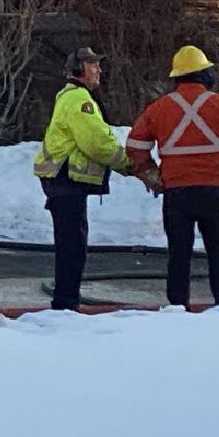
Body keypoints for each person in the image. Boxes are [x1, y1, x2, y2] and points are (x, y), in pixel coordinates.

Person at [126, 45, 219, 308]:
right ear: (206, 75)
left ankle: (177, 308)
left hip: (177, 192)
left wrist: (149, 173)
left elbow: (135, 146)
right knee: (218, 253)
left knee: (179, 254)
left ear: (177, 78)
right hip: (214, 191)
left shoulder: (159, 109)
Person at [34, 47, 147, 310]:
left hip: (62, 181)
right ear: (79, 69)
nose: (99, 70)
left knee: (70, 244)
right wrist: (132, 164)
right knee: (72, 247)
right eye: (93, 65)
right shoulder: (79, 100)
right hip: (67, 181)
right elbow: (97, 143)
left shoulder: (71, 96)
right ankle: (65, 303)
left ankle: (66, 300)